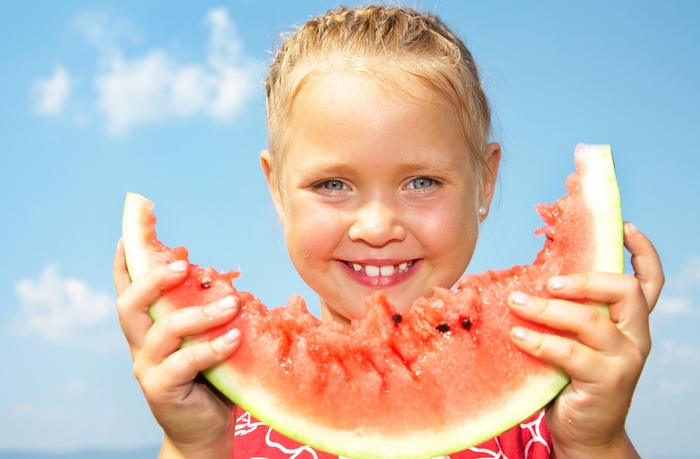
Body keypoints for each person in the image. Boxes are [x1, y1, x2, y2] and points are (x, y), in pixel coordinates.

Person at [113, 5, 664, 459]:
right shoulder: (226, 423)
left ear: (485, 183)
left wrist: (598, 439)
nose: (377, 227)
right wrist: (192, 446)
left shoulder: (550, 419)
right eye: (332, 184)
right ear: (277, 189)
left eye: (421, 181)